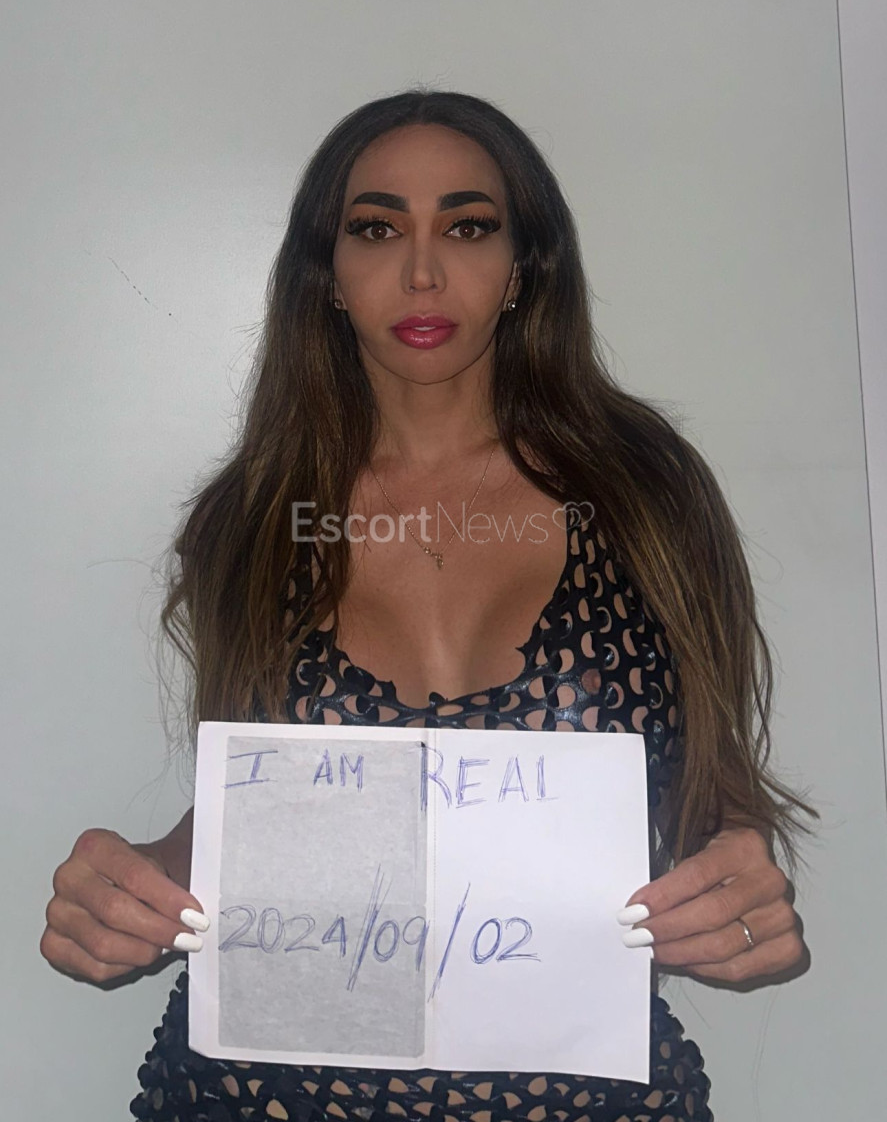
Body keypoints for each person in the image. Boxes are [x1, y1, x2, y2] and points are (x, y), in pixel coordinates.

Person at [41, 90, 815, 1122]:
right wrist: (136, 886)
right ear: (326, 275)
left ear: (522, 268)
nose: (420, 272)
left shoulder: (644, 494)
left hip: (581, 1095)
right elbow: (264, 811)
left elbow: (712, 793)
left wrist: (737, 882)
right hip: (261, 1094)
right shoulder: (258, 516)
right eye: (375, 229)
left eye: (466, 226)